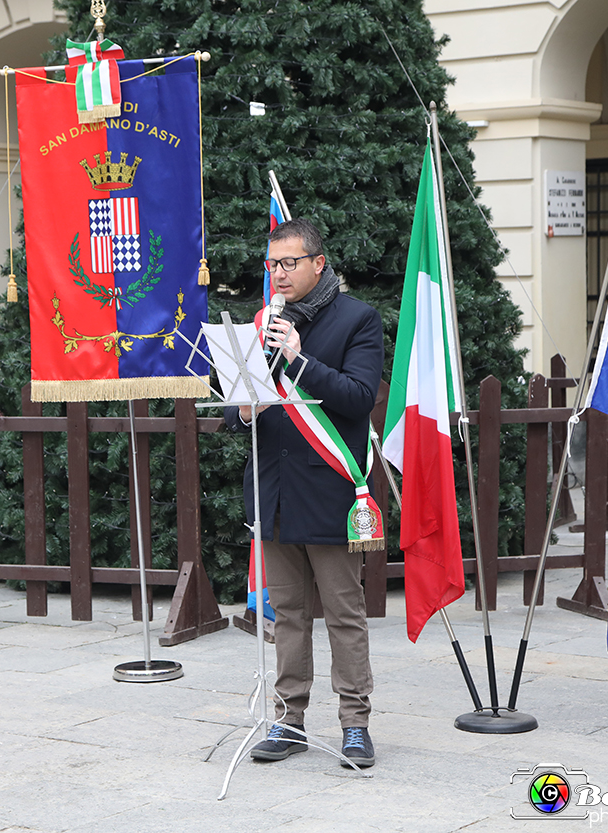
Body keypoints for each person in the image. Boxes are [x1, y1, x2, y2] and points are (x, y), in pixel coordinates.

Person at [224, 218, 383, 767]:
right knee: (287, 612)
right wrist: (240, 409)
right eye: (272, 264)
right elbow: (239, 405)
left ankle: (355, 723)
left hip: (332, 490)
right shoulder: (263, 321)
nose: (278, 274)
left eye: (288, 263)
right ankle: (289, 718)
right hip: (275, 489)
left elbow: (358, 397)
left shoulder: (358, 318)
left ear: (318, 262)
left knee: (343, 611)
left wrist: (298, 359)